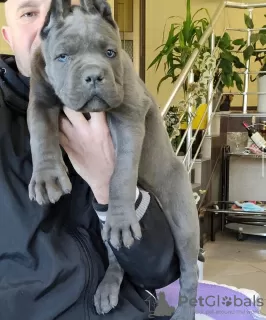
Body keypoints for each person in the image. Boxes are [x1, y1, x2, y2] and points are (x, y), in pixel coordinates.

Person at [0, 0, 181, 319]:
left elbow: (161, 270)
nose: (51, 27)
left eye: (68, 8)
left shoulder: (124, 104)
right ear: (8, 35)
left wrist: (106, 184)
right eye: (29, 14)